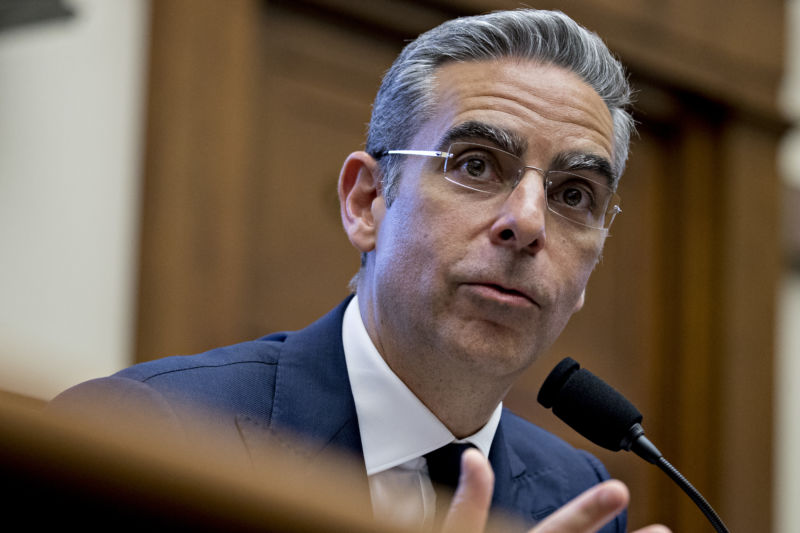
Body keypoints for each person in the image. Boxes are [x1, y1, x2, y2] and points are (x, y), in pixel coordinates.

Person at [50, 8, 669, 533]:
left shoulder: (578, 497)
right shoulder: (149, 433)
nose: (528, 222)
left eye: (573, 195)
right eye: (476, 165)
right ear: (367, 202)